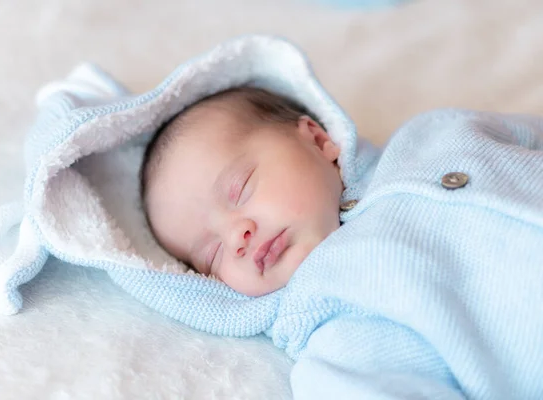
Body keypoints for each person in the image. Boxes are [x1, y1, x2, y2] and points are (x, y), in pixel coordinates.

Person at [139, 87, 543, 398]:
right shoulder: (335, 324)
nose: (236, 236)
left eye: (240, 188)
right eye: (212, 254)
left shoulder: (432, 136)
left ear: (316, 139)